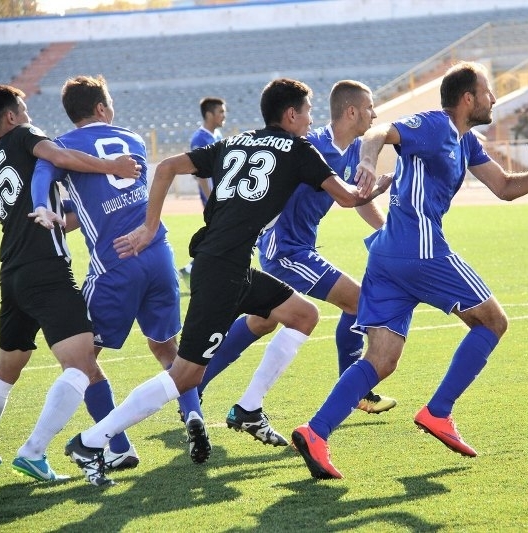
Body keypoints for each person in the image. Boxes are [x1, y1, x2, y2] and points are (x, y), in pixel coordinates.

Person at [63, 78, 390, 486]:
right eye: (307, 112)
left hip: (228, 263)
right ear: (291, 115)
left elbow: (165, 168)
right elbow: (348, 197)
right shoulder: (300, 149)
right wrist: (376, 186)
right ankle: (92, 440)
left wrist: (149, 227)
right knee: (184, 376)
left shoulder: (236, 141)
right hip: (222, 271)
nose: (311, 119)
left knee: (302, 315)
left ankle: (249, 407)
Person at [291, 61, 528, 480]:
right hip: (419, 249)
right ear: (468, 98)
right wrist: (368, 161)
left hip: (388, 256)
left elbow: (505, 187)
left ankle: (316, 432)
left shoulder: (465, 140)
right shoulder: (436, 125)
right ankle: (439, 411)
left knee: (381, 359)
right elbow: (381, 132)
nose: (494, 98)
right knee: (493, 322)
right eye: (487, 92)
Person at [197, 80, 397, 447]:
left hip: (298, 247)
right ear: (351, 111)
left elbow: (356, 198)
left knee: (262, 321)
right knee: (358, 301)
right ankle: (355, 392)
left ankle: (193, 386)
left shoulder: (353, 150)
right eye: (370, 107)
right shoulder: (310, 145)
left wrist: (385, 229)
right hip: (285, 249)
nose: (374, 114)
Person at [29, 75, 206, 472]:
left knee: (81, 359)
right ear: (101, 108)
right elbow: (115, 199)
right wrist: (70, 215)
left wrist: (42, 205)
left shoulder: (62, 145)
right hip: (158, 254)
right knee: (167, 349)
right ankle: (193, 413)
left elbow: (45, 173)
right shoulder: (133, 139)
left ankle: (116, 444)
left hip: (115, 265)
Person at [0, 84, 140, 482]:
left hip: (13, 271)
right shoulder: (24, 136)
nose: (29, 115)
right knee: (83, 364)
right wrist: (111, 167)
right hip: (46, 270)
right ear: (11, 116)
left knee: (6, 369)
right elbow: (59, 155)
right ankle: (33, 451)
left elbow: (47, 217)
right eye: (24, 109)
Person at [179, 97, 226, 283]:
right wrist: (211, 200)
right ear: (209, 114)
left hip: (221, 196)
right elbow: (201, 175)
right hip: (214, 198)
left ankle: (192, 270)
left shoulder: (217, 135)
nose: (224, 115)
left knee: (220, 236)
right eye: (221, 112)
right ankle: (193, 270)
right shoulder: (200, 139)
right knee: (219, 236)